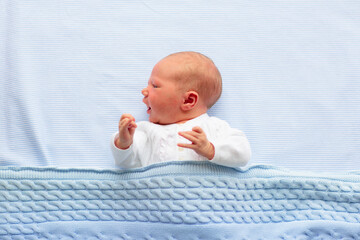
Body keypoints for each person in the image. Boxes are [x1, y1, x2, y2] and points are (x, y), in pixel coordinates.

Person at [111, 51, 251, 169]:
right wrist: (124, 144)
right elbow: (126, 164)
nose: (144, 91)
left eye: (154, 85)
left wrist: (211, 149)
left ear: (188, 100)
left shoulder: (214, 127)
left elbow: (243, 153)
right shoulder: (145, 131)